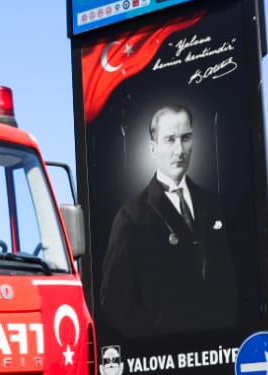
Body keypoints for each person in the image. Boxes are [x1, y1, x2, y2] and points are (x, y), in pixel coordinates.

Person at [98, 104, 235, 338]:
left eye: (186, 138)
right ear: (153, 148)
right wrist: (158, 338)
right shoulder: (131, 217)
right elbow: (112, 301)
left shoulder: (214, 204)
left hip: (219, 348)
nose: (179, 150)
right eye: (170, 140)